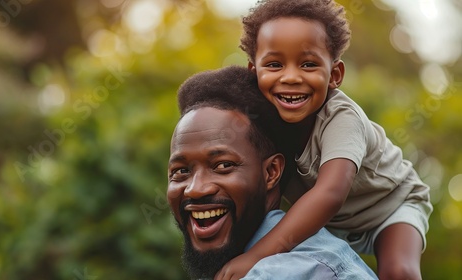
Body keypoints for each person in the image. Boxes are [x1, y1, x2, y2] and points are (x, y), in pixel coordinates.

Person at [216, 1, 433, 279]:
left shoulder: (342, 118)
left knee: (398, 271)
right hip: (330, 223)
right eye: (274, 64)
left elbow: (329, 194)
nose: (291, 77)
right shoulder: (261, 126)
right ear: (253, 72)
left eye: (308, 64)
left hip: (389, 207)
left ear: (334, 75)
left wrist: (255, 256)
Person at [167, 65, 378, 279]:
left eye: (222, 166)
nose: (195, 189)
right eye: (181, 171)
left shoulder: (290, 271)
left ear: (271, 172)